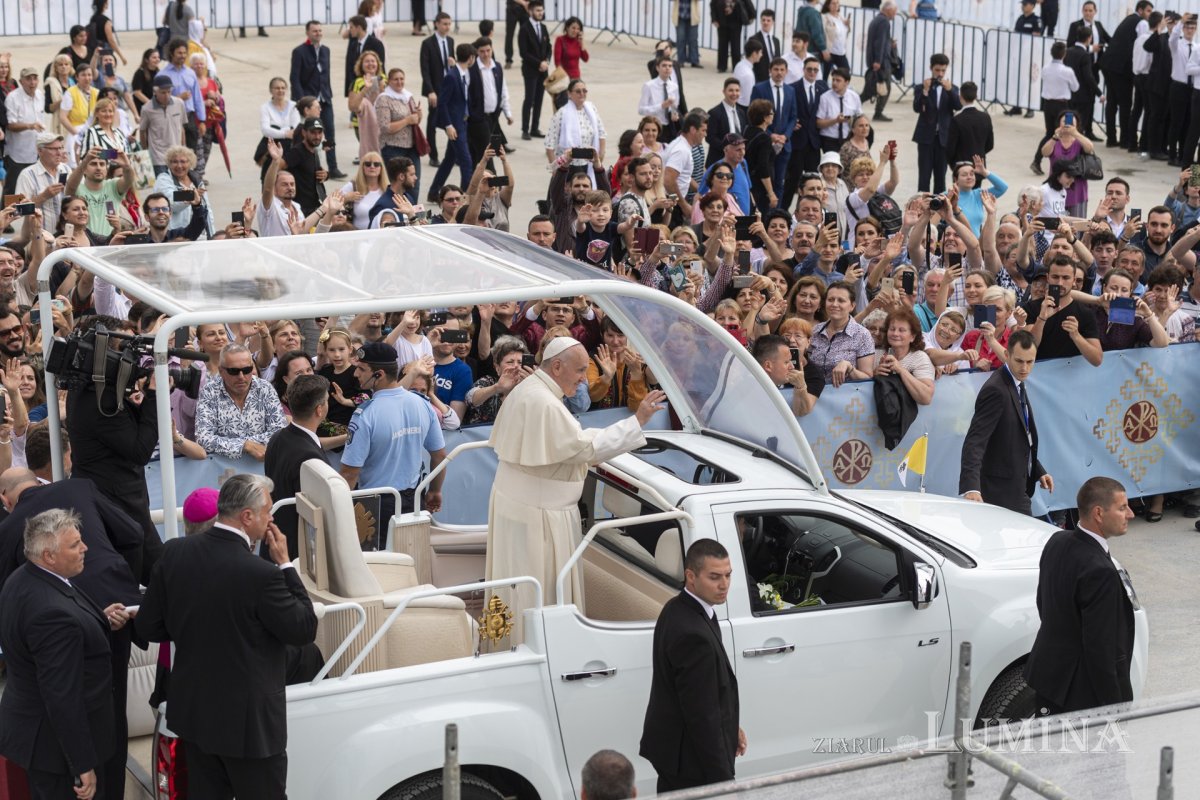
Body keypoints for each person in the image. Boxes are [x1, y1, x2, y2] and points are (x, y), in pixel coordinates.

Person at [137, 474, 318, 800]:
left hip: (196, 718)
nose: (271, 518)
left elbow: (149, 627)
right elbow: (304, 629)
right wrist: (286, 565)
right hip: (250, 729)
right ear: (247, 516)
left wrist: (190, 630)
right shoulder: (261, 574)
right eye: (266, 511)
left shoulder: (174, 553)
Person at [484, 337, 666, 633]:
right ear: (557, 366)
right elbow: (585, 449)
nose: (584, 379)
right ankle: (533, 644)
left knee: (514, 581)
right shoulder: (544, 402)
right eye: (580, 370)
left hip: (520, 505)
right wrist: (638, 421)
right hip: (541, 516)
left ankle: (505, 638)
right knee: (537, 590)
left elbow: (571, 438)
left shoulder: (531, 390)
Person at [0, 470, 143, 800]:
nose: (87, 548)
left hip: (41, 738)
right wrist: (82, 764)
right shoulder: (53, 615)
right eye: (76, 544)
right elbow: (62, 696)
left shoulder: (27, 579)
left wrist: (99, 620)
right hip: (59, 753)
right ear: (49, 555)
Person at [1024, 477, 1136, 714]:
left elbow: (1044, 604)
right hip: (1082, 697)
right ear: (1098, 513)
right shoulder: (1100, 571)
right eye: (1122, 507)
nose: (1131, 514)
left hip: (1049, 680)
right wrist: (1113, 706)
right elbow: (1101, 648)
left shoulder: (1057, 540)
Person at [640, 538, 744, 792]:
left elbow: (707, 696)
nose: (724, 585)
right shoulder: (692, 634)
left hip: (675, 753)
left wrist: (731, 729)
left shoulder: (677, 608)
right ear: (691, 576)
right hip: (690, 761)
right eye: (714, 577)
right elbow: (702, 715)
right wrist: (723, 780)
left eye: (728, 575)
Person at [340, 342, 446, 528]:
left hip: (375, 504)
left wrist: (337, 510)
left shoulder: (365, 415)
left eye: (361, 369)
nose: (356, 374)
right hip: (414, 498)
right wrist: (435, 490)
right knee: (413, 553)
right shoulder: (422, 404)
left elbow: (350, 473)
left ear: (378, 374)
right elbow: (439, 456)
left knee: (378, 557)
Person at [959, 329, 1054, 515]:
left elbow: (1017, 437)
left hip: (1016, 486)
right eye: (1019, 361)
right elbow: (975, 440)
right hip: (999, 491)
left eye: (1030, 362)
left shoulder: (1017, 382)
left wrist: (1038, 471)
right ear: (1006, 355)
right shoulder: (996, 390)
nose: (1024, 368)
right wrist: (971, 487)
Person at [264, 374, 333, 560]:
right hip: (295, 552)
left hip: (276, 539)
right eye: (327, 400)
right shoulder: (308, 456)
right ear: (319, 410)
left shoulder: (278, 437)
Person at [195, 343, 287, 460]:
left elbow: (279, 432)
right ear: (221, 371)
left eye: (247, 370)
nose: (241, 377)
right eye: (234, 371)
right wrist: (245, 446)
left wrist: (240, 444)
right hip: (223, 470)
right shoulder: (209, 391)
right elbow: (203, 439)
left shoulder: (265, 388)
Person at [291, 21, 344, 180]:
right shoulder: (299, 51)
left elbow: (325, 75)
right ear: (307, 33)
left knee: (330, 132)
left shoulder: (325, 50)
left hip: (325, 99)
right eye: (314, 31)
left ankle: (333, 167)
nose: (318, 33)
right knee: (309, 133)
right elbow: (295, 77)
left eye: (320, 30)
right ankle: (309, 165)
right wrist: (302, 100)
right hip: (309, 100)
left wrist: (327, 93)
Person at [1100, 0, 1153, 151]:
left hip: (1109, 64)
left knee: (1112, 102)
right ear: (1141, 10)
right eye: (1148, 11)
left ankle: (1111, 138)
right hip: (1121, 68)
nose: (1149, 15)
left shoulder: (1129, 19)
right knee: (1124, 104)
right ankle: (1125, 140)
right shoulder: (1141, 23)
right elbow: (1142, 46)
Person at [428, 43, 476, 201]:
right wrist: (448, 125)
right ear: (470, 58)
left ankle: (434, 192)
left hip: (462, 123)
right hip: (455, 126)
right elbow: (442, 103)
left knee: (449, 161)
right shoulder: (452, 76)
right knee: (466, 161)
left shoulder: (463, 73)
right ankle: (464, 198)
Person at [911, 53, 960, 194]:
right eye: (937, 70)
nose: (940, 73)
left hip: (944, 138)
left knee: (941, 176)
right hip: (925, 137)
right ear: (931, 68)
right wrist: (925, 92)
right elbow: (917, 108)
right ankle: (922, 208)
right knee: (924, 175)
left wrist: (950, 90)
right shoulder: (921, 87)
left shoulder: (952, 88)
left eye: (943, 70)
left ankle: (940, 211)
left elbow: (958, 106)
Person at [749, 58, 797, 198]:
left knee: (779, 182)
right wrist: (771, 135)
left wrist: (785, 136)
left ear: (786, 71)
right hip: (765, 142)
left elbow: (793, 117)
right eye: (776, 69)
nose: (779, 73)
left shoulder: (790, 90)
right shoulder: (759, 88)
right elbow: (754, 116)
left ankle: (777, 215)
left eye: (782, 70)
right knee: (763, 180)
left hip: (783, 145)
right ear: (770, 71)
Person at [419, 12, 455, 167]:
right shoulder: (428, 43)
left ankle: (453, 154)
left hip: (450, 87)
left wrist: (453, 64)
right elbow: (425, 69)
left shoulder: (451, 41)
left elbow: (453, 67)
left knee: (452, 121)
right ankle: (433, 155)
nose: (447, 27)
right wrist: (430, 90)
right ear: (437, 24)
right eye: (444, 24)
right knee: (433, 122)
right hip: (435, 89)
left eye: (449, 24)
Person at [3, 68, 44, 196]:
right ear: (21, 81)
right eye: (28, 79)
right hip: (17, 154)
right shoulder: (13, 97)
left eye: (35, 78)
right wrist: (30, 126)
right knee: (13, 190)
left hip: (35, 151)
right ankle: (5, 214)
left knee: (31, 188)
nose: (32, 82)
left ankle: (27, 215)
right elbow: (10, 125)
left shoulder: (39, 95)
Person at [139, 74, 187, 175]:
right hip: (158, 158)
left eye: (169, 92)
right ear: (155, 92)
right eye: (163, 92)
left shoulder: (179, 104)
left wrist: (183, 149)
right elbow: (142, 131)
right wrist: (145, 151)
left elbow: (181, 128)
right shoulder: (147, 109)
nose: (167, 96)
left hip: (177, 155)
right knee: (163, 188)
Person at [518, 0, 551, 141]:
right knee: (529, 99)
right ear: (530, 11)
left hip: (543, 70)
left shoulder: (543, 27)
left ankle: (534, 128)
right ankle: (525, 129)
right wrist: (539, 63)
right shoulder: (524, 28)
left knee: (539, 99)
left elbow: (549, 46)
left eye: (541, 10)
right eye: (537, 10)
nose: (540, 13)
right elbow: (523, 52)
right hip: (531, 70)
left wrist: (547, 61)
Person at [864, 1, 897, 121]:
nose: (895, 15)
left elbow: (880, 40)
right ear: (888, 10)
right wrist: (878, 60)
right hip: (881, 62)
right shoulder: (884, 22)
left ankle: (876, 112)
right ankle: (878, 113)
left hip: (876, 61)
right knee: (883, 89)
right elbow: (879, 42)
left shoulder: (877, 20)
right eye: (894, 12)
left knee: (870, 90)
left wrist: (890, 43)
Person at [946, 81, 993, 166]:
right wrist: (979, 154)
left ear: (960, 97)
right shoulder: (986, 117)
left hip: (961, 166)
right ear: (976, 96)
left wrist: (952, 161)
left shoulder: (957, 120)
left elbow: (951, 147)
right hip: (979, 165)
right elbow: (990, 144)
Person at [344, 14, 385, 100]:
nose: (349, 30)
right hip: (356, 89)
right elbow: (349, 67)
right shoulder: (353, 44)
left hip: (372, 89)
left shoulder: (376, 44)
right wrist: (351, 89)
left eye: (351, 27)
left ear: (358, 27)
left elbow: (380, 66)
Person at [711, 0, 747, 73]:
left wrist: (750, 16)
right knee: (722, 46)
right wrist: (714, 19)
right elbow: (713, 5)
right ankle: (722, 67)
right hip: (722, 23)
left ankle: (736, 67)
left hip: (736, 23)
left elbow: (745, 4)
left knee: (736, 46)